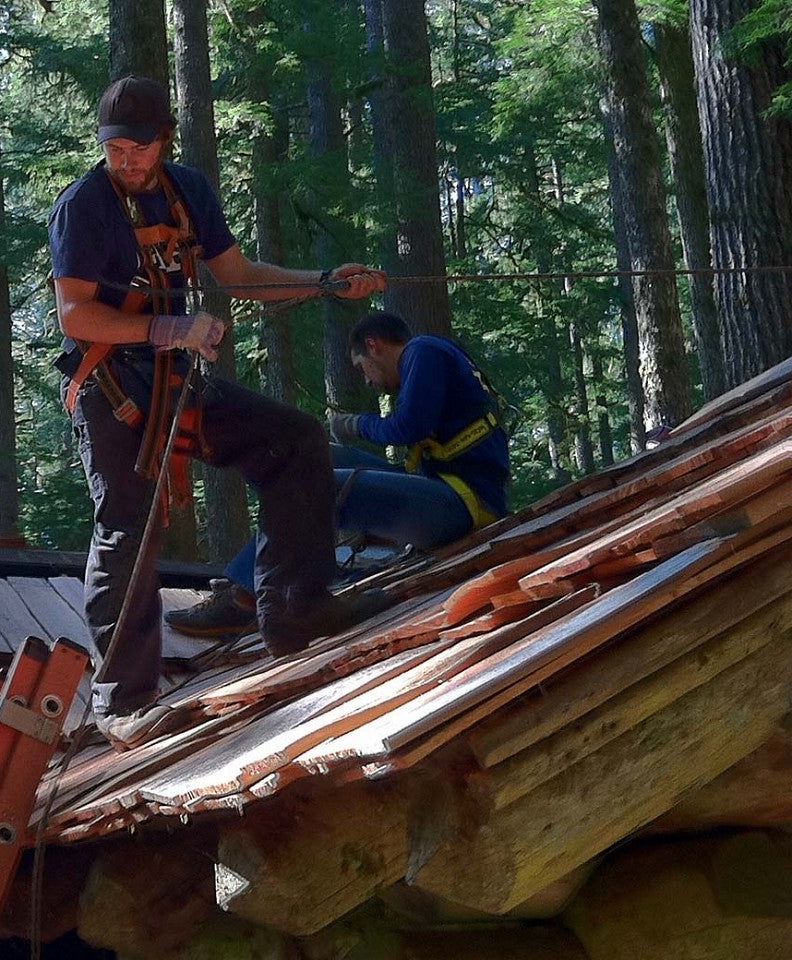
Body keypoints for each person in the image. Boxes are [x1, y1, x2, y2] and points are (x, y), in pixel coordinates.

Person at [49, 75, 389, 750]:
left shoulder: (188, 192)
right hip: (111, 388)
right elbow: (76, 312)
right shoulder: (83, 206)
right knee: (131, 523)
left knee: (294, 442)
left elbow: (238, 277)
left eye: (139, 148)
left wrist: (322, 284)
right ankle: (123, 702)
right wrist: (169, 331)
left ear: (162, 141)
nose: (127, 161)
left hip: (175, 381)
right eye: (115, 150)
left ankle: (298, 609)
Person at [168, 311, 511, 636]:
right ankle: (276, 576)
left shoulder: (422, 351)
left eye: (362, 367)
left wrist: (354, 424)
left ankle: (243, 597)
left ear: (373, 345)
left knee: (326, 486)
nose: (367, 379)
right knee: (312, 457)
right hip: (438, 486)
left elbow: (409, 427)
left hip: (463, 503)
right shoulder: (433, 355)